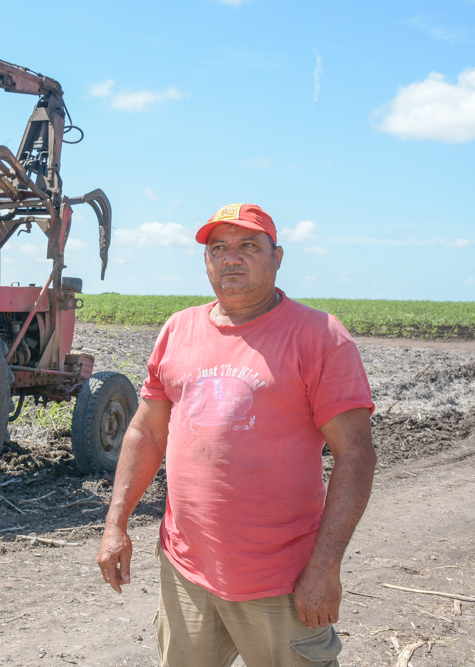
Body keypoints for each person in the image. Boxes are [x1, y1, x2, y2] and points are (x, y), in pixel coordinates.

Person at [96, 203, 375, 666]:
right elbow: (145, 433)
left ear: (277, 256)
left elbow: (356, 457)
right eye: (218, 248)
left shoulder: (320, 336)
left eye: (248, 245)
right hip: (186, 574)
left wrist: (325, 569)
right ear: (207, 261)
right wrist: (115, 525)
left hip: (282, 580)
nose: (231, 258)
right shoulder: (178, 330)